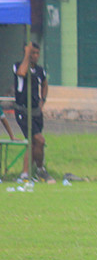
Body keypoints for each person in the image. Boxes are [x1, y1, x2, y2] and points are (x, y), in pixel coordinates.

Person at [13, 42, 53, 183]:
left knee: (35, 143)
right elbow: (21, 73)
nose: (35, 56)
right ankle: (40, 170)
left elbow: (44, 84)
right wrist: (26, 55)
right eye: (32, 53)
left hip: (36, 111)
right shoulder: (19, 65)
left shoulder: (40, 70)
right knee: (38, 139)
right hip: (23, 111)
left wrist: (43, 100)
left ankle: (27, 173)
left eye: (36, 53)